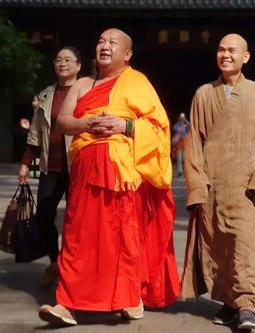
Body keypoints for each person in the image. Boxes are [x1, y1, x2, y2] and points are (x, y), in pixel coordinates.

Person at [37, 28, 180, 326]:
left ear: (127, 54)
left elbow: (158, 126)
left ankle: (128, 296)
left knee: (122, 236)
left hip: (122, 172)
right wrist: (87, 121)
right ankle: (68, 304)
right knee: (78, 237)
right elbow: (63, 121)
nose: (105, 46)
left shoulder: (137, 82)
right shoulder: (83, 84)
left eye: (113, 43)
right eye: (101, 40)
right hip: (86, 167)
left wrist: (124, 126)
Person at [181, 34, 255, 330]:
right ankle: (228, 301)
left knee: (244, 245)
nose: (226, 55)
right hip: (212, 185)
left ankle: (246, 304)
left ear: (245, 57)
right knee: (219, 247)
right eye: (221, 50)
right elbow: (193, 143)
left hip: (245, 184)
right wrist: (197, 185)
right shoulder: (203, 94)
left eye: (232, 51)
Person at [17, 46, 81, 287]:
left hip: (77, 167)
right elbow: (34, 133)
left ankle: (72, 269)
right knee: (44, 216)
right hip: (50, 166)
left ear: (78, 66)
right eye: (58, 60)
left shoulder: (86, 92)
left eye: (68, 60)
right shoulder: (46, 94)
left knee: (76, 222)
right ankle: (55, 261)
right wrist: (25, 164)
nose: (62, 64)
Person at [171, 112, 190, 177]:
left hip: (185, 143)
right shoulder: (176, 125)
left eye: (183, 117)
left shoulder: (186, 125)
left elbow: (190, 126)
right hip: (179, 144)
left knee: (185, 158)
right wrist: (180, 123)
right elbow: (175, 128)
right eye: (181, 117)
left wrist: (185, 120)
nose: (182, 119)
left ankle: (186, 171)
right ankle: (180, 172)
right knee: (179, 158)